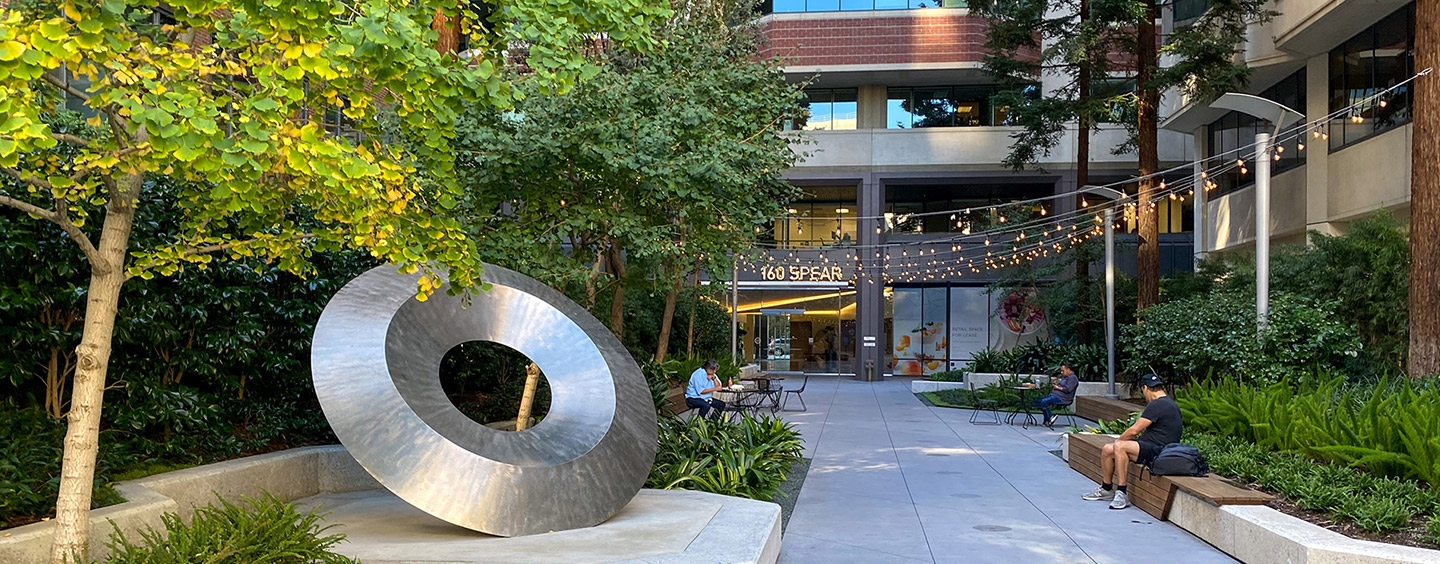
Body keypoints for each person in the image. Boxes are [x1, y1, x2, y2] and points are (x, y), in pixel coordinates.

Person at [1081, 373, 1183, 510]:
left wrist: (1118, 442)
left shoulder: (1158, 404)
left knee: (1119, 446)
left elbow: (1134, 430)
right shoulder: (1167, 403)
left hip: (1160, 450)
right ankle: (1106, 489)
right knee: (1107, 449)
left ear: (1145, 388)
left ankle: (1122, 492)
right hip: (1153, 447)